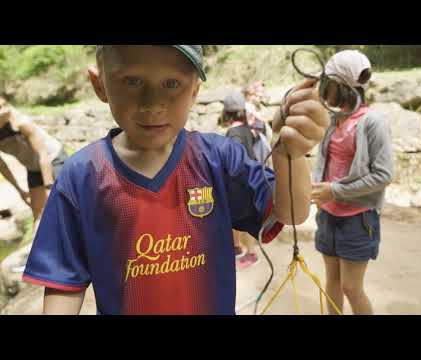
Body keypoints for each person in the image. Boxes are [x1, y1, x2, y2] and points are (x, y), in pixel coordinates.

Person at [22, 45, 329, 315]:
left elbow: (291, 213)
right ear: (99, 84)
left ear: (194, 90)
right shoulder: (81, 175)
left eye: (172, 83)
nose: (153, 103)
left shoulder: (219, 159)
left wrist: (291, 154)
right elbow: (64, 282)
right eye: (132, 81)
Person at [311, 50, 394, 315]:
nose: (324, 89)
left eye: (328, 84)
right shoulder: (334, 120)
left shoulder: (372, 122)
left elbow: (383, 175)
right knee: (332, 282)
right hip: (328, 216)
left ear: (342, 87)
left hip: (357, 219)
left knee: (351, 287)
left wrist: (334, 190)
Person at [0, 97, 68, 222]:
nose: (6, 110)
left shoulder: (21, 123)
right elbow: (2, 167)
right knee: (38, 216)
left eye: (5, 105)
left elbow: (43, 154)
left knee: (65, 204)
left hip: (53, 158)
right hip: (33, 167)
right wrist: (20, 190)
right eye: (0, 108)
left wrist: (49, 187)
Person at [223, 91, 260, 270]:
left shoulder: (233, 133)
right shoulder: (246, 129)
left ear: (226, 113)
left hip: (239, 183)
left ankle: (251, 253)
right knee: (241, 219)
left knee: (242, 220)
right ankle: (239, 248)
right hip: (251, 179)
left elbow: (234, 161)